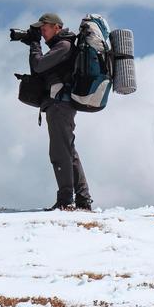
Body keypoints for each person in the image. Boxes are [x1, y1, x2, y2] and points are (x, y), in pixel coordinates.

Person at [25, 13, 94, 213]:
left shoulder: (64, 46)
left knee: (59, 153)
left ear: (57, 27)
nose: (41, 31)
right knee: (69, 151)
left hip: (59, 105)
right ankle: (82, 199)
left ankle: (66, 200)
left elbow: (38, 66)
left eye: (44, 27)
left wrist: (34, 44)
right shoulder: (63, 46)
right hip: (61, 105)